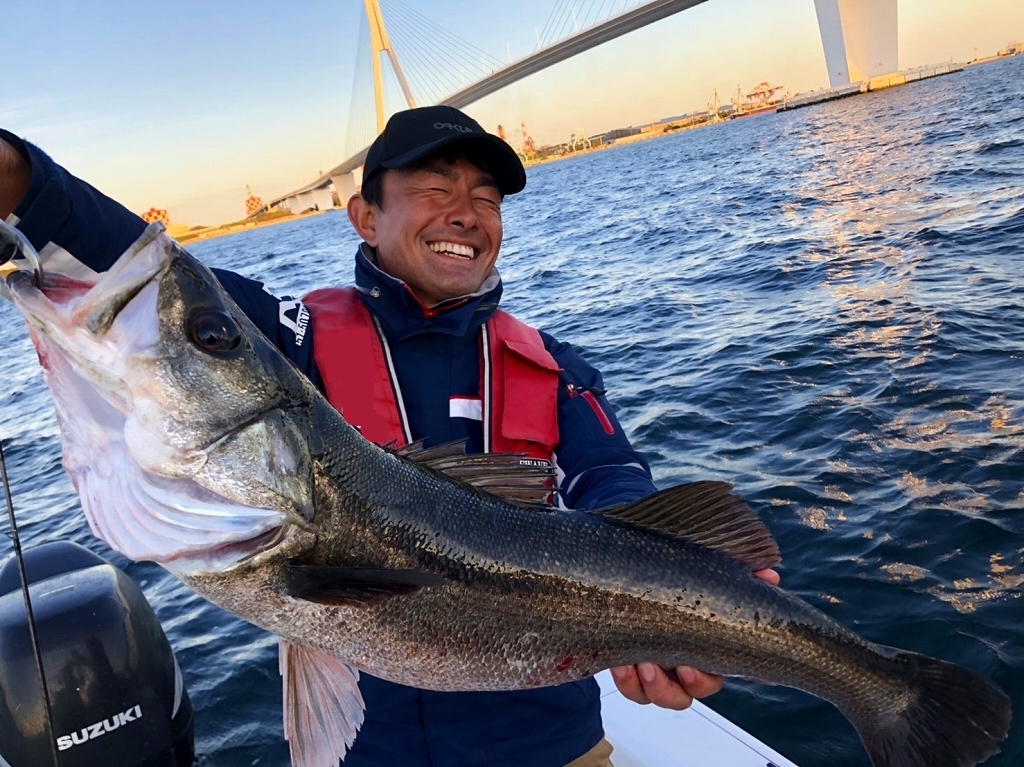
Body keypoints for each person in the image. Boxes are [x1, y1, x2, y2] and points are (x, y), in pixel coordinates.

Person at [0, 106, 778, 767]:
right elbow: (168, 288)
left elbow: (617, 487)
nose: (466, 213)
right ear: (365, 217)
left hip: (554, 746)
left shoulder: (557, 368)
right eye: (435, 190)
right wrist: (27, 185)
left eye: (486, 198)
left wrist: (686, 602)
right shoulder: (290, 340)